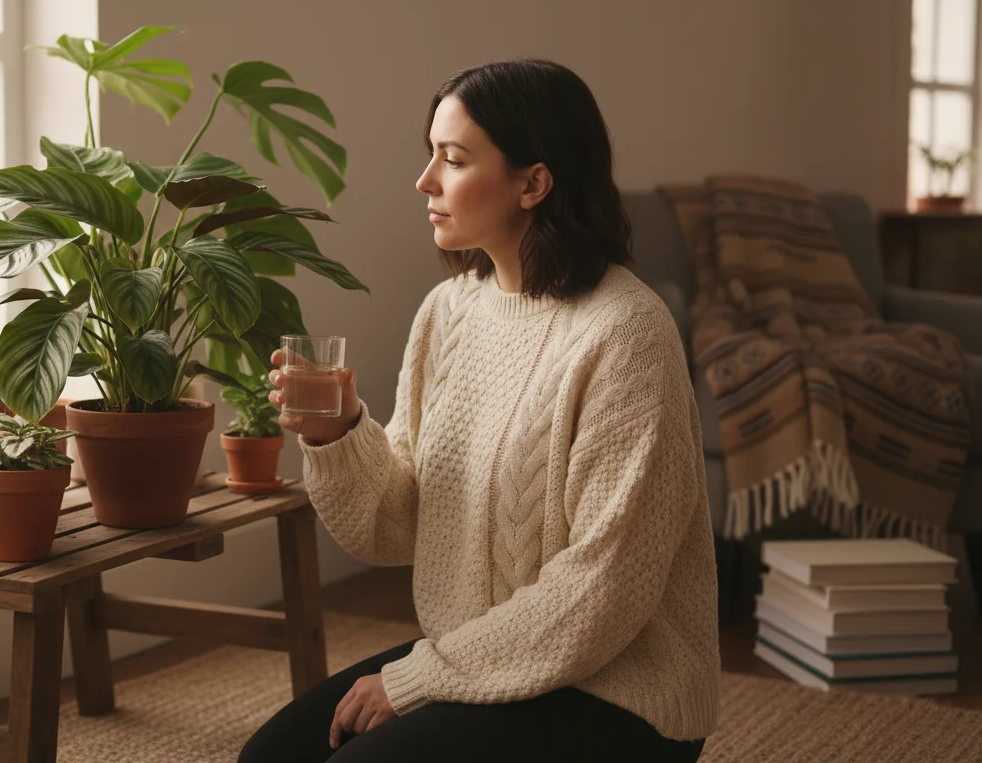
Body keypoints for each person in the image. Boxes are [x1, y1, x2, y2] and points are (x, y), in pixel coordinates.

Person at [237, 58, 720, 762]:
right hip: (482, 658)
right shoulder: (449, 312)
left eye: (453, 159)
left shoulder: (626, 333)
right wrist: (339, 432)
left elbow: (604, 591)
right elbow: (400, 526)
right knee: (269, 758)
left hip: (616, 693)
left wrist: (415, 679)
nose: (425, 181)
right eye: (430, 154)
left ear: (534, 182)